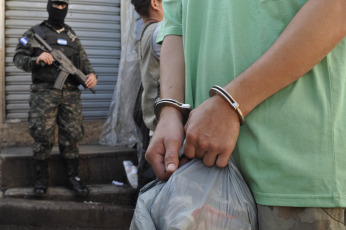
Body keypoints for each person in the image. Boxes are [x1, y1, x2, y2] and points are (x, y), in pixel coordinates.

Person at [145, 0, 346, 229]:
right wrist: (170, 111)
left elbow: (336, 7)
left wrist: (232, 103)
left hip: (294, 175)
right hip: (202, 171)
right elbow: (175, 23)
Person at [13, 0, 97, 198]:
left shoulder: (72, 36)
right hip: (43, 93)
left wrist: (92, 75)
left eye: (63, 6)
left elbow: (84, 63)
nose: (59, 9)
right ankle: (41, 180)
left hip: (71, 95)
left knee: (72, 135)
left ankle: (73, 178)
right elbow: (18, 58)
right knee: (42, 135)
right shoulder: (35, 33)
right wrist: (37, 59)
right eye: (56, 5)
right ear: (49, 6)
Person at [131, 0, 164, 189]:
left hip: (150, 113)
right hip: (160, 118)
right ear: (155, 3)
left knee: (149, 169)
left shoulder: (146, 30)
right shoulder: (160, 31)